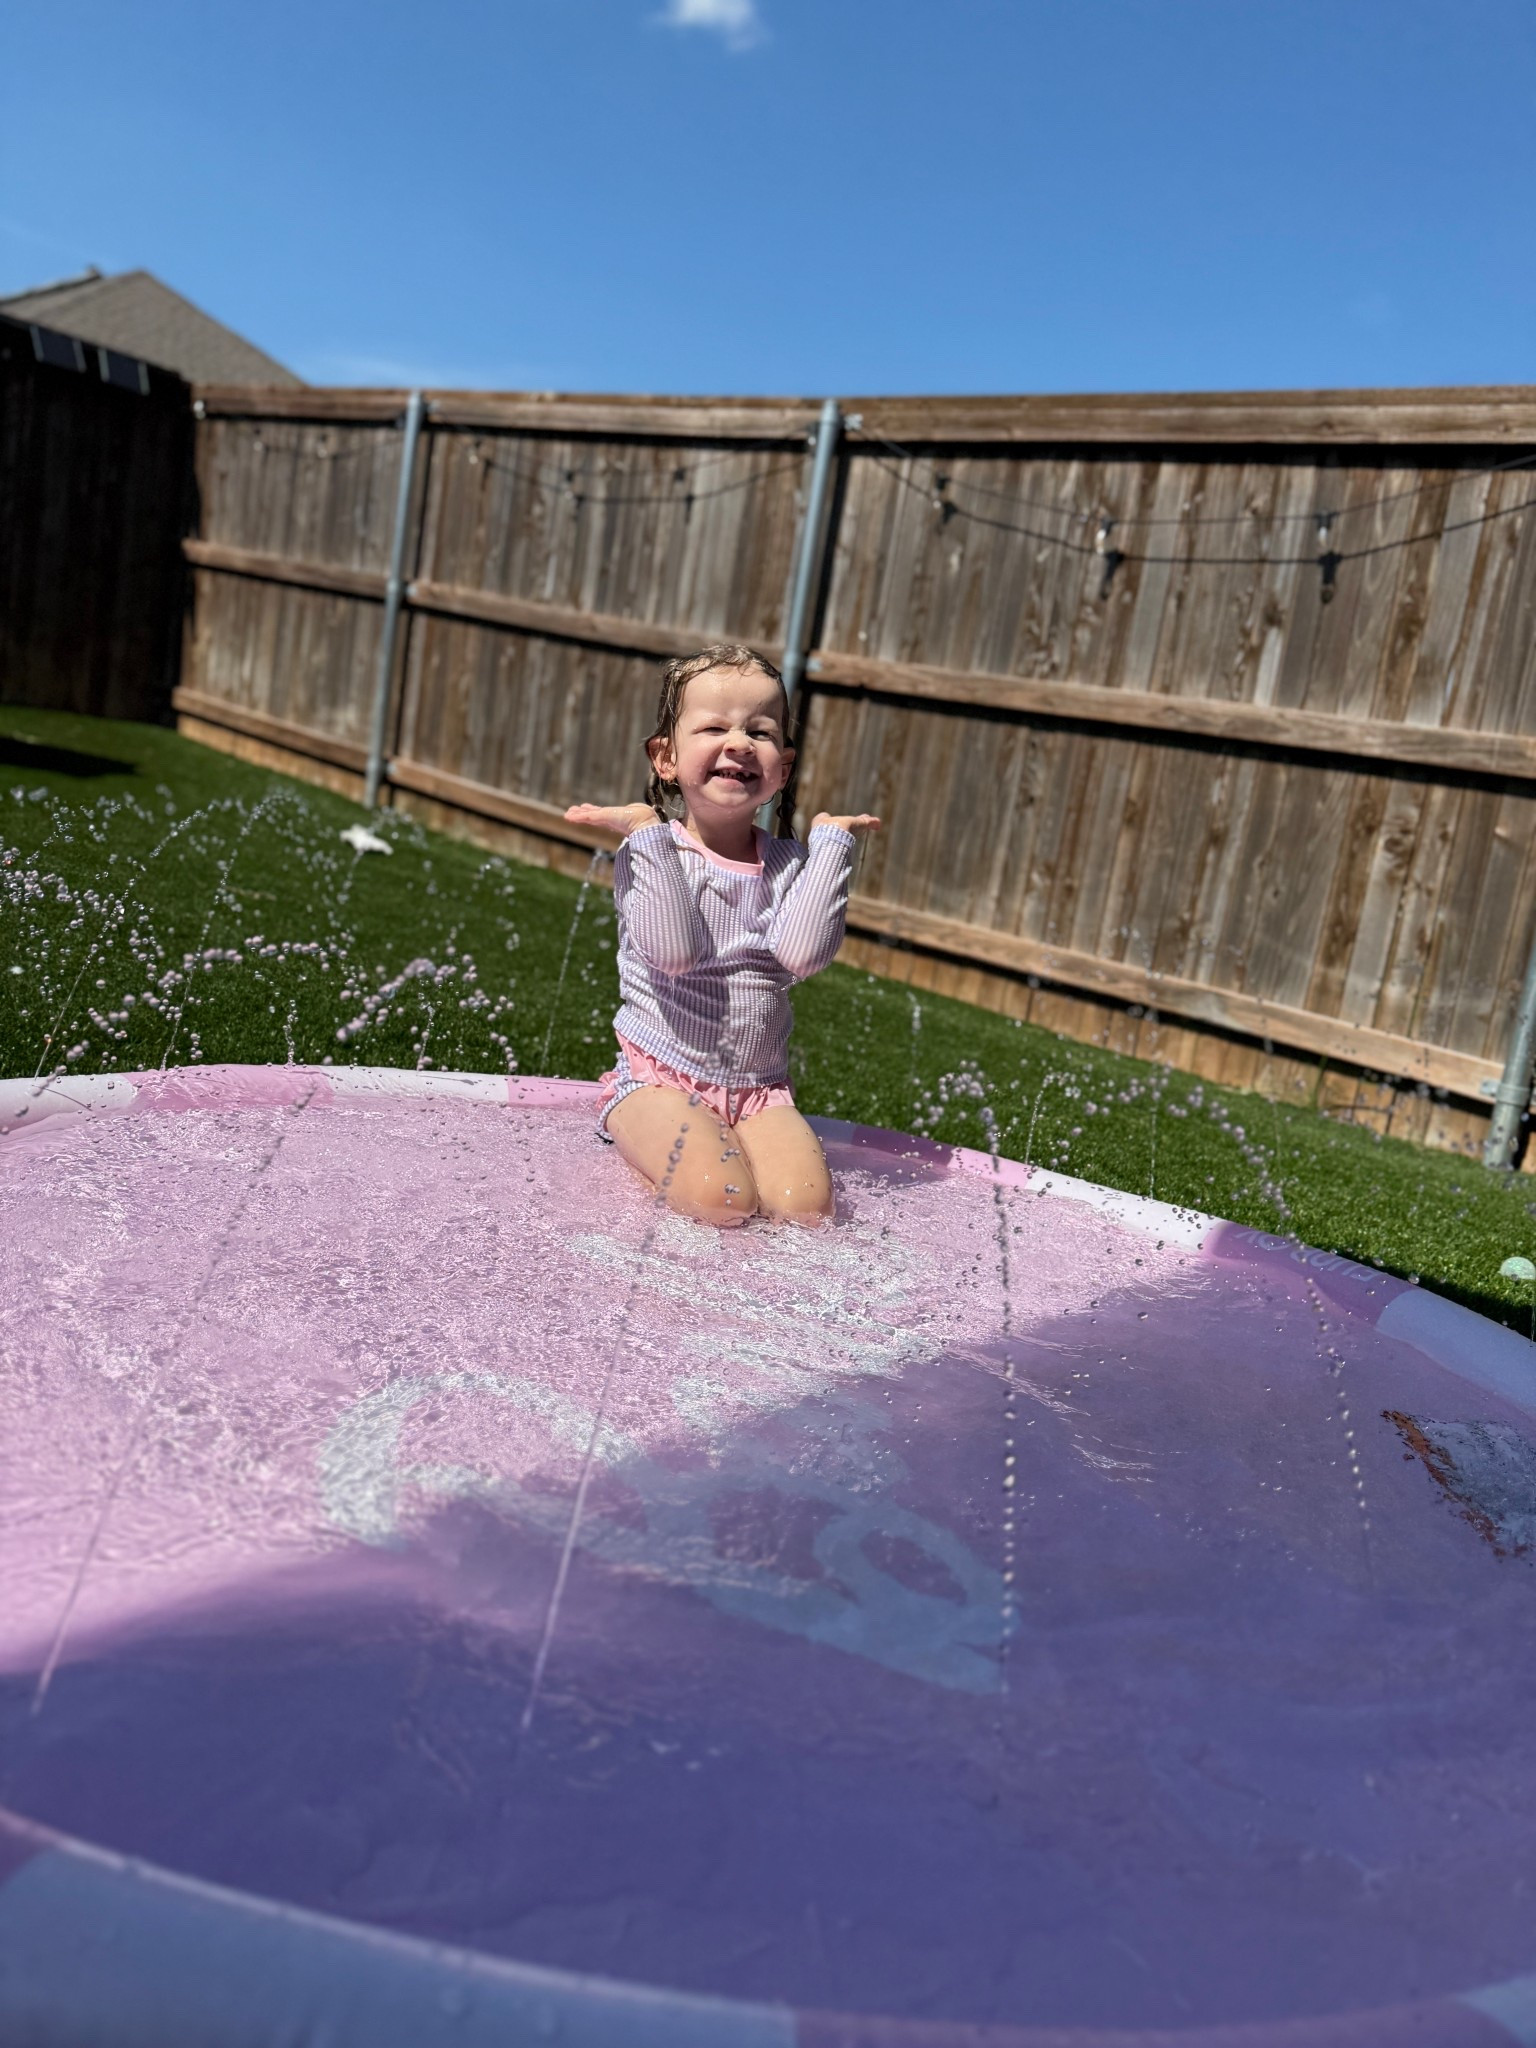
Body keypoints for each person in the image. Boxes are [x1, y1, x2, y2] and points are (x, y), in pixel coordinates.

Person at [565, 643, 879, 1227]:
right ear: (665, 757)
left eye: (759, 731)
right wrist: (645, 831)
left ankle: (731, 1139)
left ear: (782, 769)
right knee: (723, 1198)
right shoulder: (654, 852)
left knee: (807, 1209)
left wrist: (831, 846)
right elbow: (674, 953)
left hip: (759, 1091)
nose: (738, 742)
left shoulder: (789, 864)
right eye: (714, 726)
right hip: (659, 1078)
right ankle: (626, 1121)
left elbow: (803, 957)